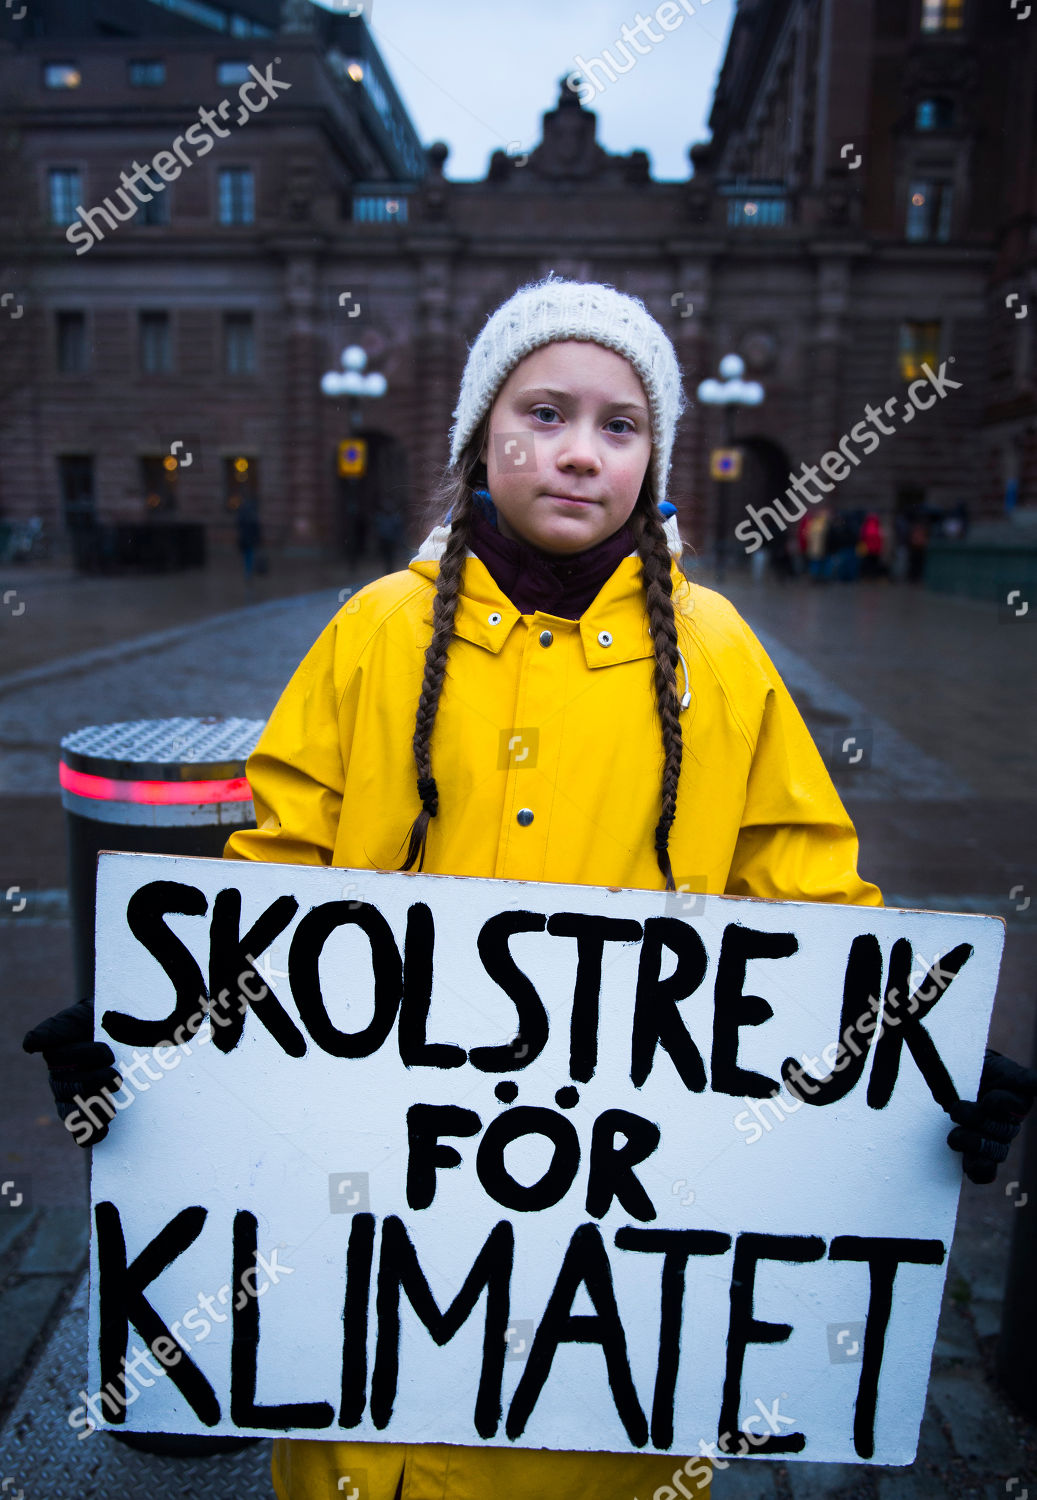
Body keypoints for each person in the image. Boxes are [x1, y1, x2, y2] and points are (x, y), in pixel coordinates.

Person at [23, 277, 1037, 1500]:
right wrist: (154, 1036)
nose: (576, 453)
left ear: (656, 454)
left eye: (619, 425)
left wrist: (916, 1068)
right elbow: (274, 883)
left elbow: (805, 900)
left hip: (609, 1380)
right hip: (372, 1371)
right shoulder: (373, 632)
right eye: (542, 412)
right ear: (477, 438)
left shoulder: (716, 652)